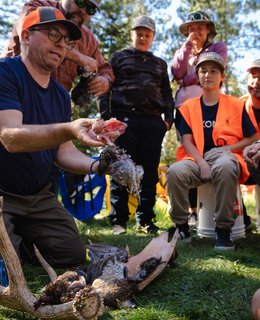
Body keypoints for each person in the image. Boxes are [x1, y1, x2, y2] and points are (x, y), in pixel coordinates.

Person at [0, 7, 123, 268]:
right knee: (6, 265)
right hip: (2, 195)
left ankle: (20, 244)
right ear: (26, 35)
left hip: (38, 198)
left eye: (66, 41)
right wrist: (69, 128)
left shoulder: (59, 94)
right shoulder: (5, 73)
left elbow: (63, 152)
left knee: (72, 255)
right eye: (53, 35)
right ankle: (13, 244)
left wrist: (100, 165)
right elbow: (10, 137)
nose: (61, 45)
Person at [166, 52, 258, 250]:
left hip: (226, 156)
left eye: (213, 71)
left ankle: (223, 231)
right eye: (203, 71)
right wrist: (201, 162)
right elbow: (187, 141)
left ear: (222, 76)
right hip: (196, 157)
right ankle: (181, 226)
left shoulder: (237, 104)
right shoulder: (186, 107)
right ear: (198, 76)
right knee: (174, 172)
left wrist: (228, 148)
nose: (208, 75)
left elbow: (253, 136)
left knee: (225, 167)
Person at [99, 15, 174, 235]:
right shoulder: (118, 58)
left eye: (147, 34)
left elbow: (168, 94)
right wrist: (107, 119)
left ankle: (145, 220)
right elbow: (105, 88)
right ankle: (119, 221)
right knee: (121, 170)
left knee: (149, 173)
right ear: (132, 34)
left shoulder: (160, 63)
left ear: (152, 37)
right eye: (139, 33)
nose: (142, 37)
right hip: (123, 122)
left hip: (153, 123)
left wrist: (167, 121)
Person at [171, 10, 227, 226]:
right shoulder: (182, 50)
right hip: (184, 111)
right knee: (189, 156)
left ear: (208, 30)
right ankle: (191, 211)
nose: (196, 31)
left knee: (214, 154)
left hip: (212, 109)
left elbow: (214, 69)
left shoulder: (217, 48)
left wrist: (187, 80)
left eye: (200, 27)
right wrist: (187, 48)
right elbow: (176, 72)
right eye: (192, 28)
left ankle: (218, 211)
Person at [1, 0, 114, 96]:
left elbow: (104, 68)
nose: (83, 10)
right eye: (80, 2)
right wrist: (79, 58)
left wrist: (105, 81)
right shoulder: (39, 7)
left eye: (90, 9)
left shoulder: (88, 39)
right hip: (12, 87)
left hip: (54, 106)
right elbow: (28, 30)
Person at [242, 59, 260, 184]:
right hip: (244, 161)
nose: (256, 82)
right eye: (253, 77)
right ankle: (237, 204)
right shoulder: (238, 106)